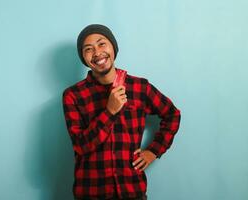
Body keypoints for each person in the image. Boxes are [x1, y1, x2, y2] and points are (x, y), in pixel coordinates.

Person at [62, 24, 181, 200]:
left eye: (102, 44)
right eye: (88, 49)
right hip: (91, 192)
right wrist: (110, 111)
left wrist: (153, 151)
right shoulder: (73, 95)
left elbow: (172, 115)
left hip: (132, 190)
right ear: (84, 57)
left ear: (113, 47)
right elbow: (81, 146)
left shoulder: (140, 87)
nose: (97, 52)